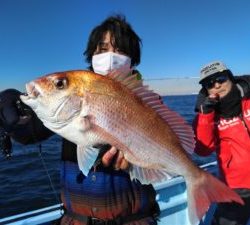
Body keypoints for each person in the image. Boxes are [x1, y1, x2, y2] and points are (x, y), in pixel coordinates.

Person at [0, 15, 160, 225]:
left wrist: (141, 156)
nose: (111, 55)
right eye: (102, 49)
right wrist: (8, 108)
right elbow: (29, 133)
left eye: (120, 50)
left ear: (132, 58)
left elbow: (167, 153)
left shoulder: (151, 105)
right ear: (91, 55)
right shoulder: (73, 93)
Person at [193, 60, 250, 225]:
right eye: (210, 84)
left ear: (230, 77)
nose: (217, 85)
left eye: (221, 79)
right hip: (236, 187)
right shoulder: (205, 115)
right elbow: (203, 150)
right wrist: (206, 116)